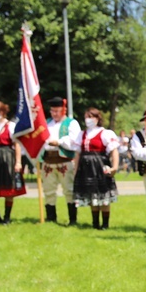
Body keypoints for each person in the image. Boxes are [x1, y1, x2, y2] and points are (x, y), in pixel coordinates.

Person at [72, 108, 120, 229]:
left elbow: (114, 151)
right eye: (86, 117)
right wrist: (75, 170)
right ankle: (95, 223)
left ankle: (105, 224)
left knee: (103, 195)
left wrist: (114, 167)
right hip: (86, 168)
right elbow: (77, 154)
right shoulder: (82, 134)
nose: (88, 120)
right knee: (91, 195)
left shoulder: (105, 133)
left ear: (97, 118)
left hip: (99, 166)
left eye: (90, 117)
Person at [41, 96, 81, 225]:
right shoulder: (46, 123)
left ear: (63, 110)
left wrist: (58, 142)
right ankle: (51, 218)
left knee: (69, 190)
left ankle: (72, 219)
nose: (54, 114)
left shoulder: (71, 123)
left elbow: (74, 141)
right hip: (48, 160)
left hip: (65, 159)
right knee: (48, 190)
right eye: (52, 111)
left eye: (57, 111)